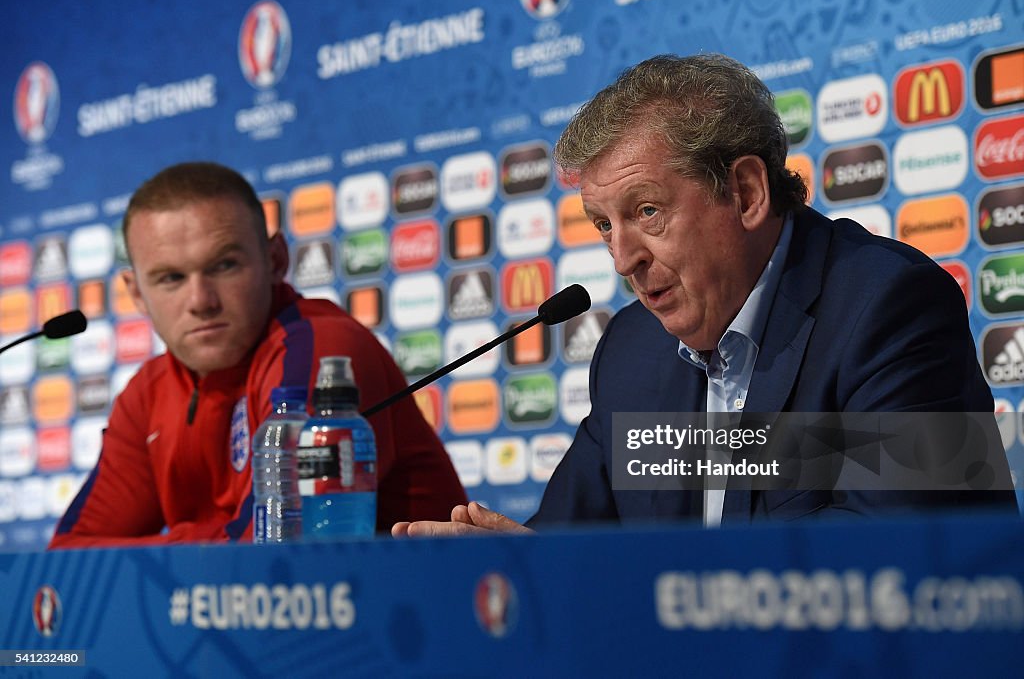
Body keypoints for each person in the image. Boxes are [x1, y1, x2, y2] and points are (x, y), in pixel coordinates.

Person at [393, 53, 1017, 538]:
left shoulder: (890, 308)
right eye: (605, 224)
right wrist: (509, 569)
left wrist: (642, 593)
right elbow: (567, 549)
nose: (623, 258)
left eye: (647, 210)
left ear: (746, 193)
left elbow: (891, 555)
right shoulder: (632, 353)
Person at [50, 162, 467, 548]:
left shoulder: (321, 351)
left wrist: (162, 551)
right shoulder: (149, 391)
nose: (200, 301)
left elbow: (280, 542)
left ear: (275, 261)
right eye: (171, 278)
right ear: (137, 293)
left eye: (224, 266)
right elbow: (69, 558)